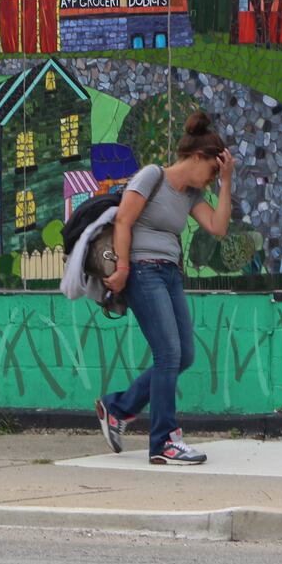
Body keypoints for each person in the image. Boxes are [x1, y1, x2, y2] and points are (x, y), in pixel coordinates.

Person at [94, 111, 234, 465]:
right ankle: (165, 441)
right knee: (168, 354)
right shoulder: (152, 176)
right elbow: (124, 219)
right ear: (197, 158)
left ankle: (118, 407)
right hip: (142, 270)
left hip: (170, 274)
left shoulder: (190, 195)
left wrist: (227, 182)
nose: (212, 177)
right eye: (213, 170)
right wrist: (123, 267)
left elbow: (217, 228)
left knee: (183, 354)